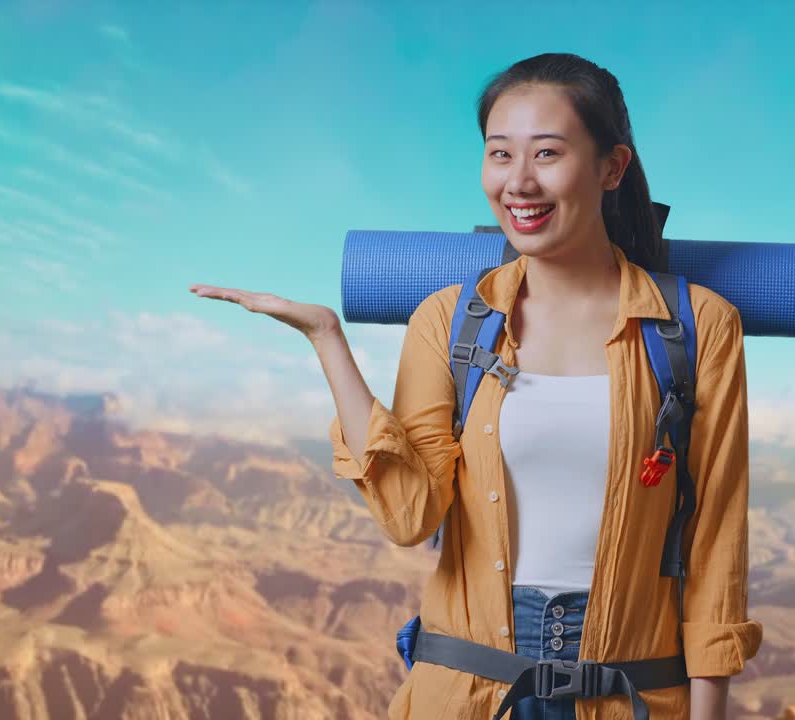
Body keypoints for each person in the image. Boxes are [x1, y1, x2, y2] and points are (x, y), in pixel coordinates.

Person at [190, 52, 760, 720]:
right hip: (465, 693)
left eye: (547, 153)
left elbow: (717, 540)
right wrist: (326, 340)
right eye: (499, 154)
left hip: (631, 691)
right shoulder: (452, 321)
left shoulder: (697, 327)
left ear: (612, 168)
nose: (518, 182)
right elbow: (409, 517)